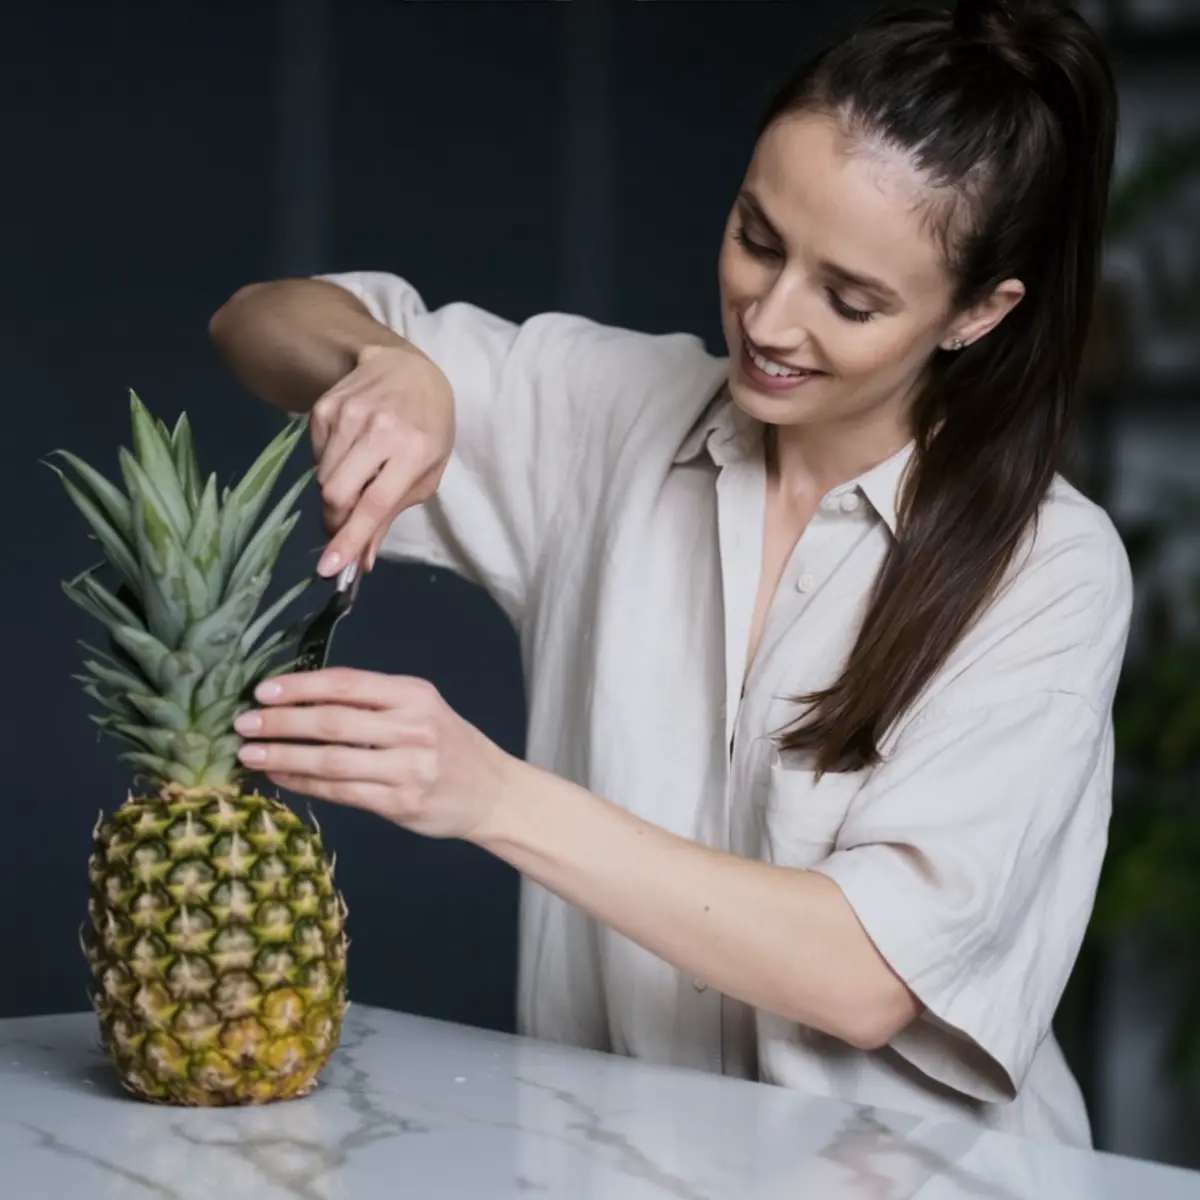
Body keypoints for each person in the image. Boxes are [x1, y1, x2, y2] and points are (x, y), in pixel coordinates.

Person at [210, 0, 1131, 1148]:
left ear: (978, 314)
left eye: (851, 299)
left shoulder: (1051, 567)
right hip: (618, 1166)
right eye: (756, 235)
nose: (771, 318)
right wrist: (389, 365)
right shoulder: (609, 411)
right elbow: (257, 322)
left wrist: (491, 796)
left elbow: (870, 973)